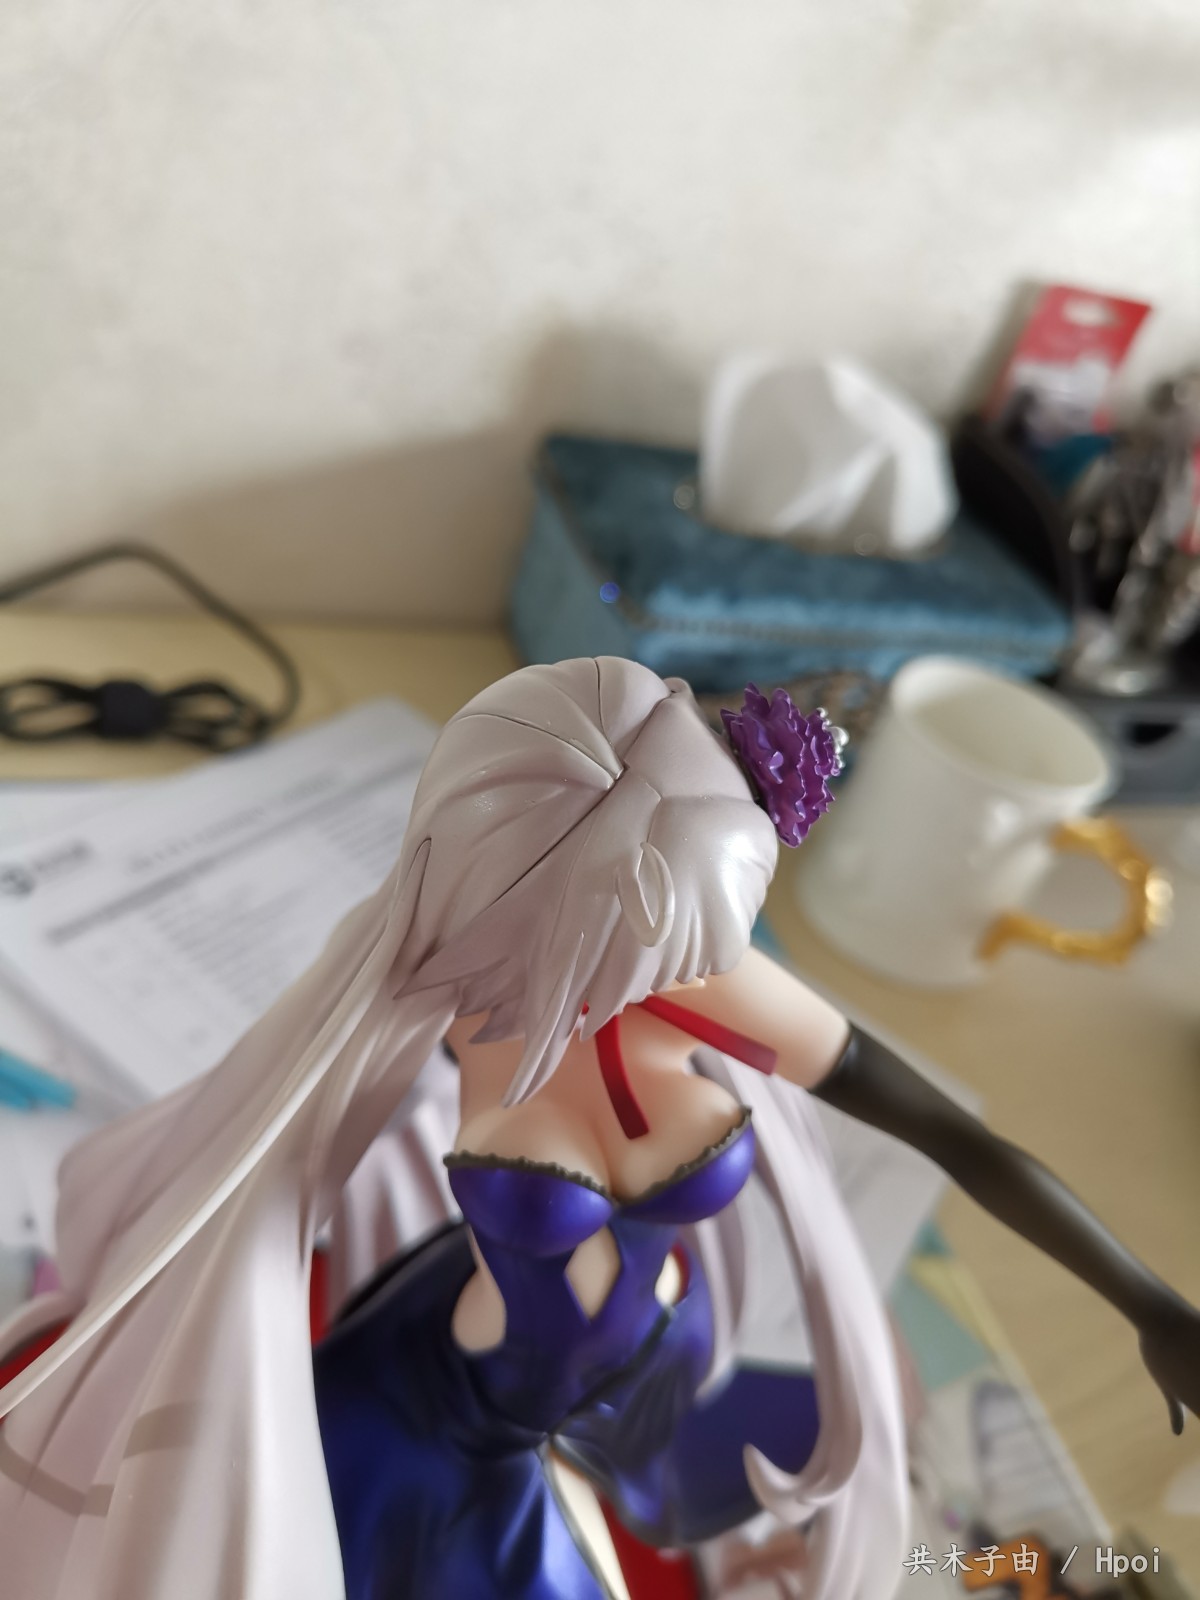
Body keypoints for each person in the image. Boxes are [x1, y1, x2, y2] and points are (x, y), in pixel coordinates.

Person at [0, 657, 1195, 1600]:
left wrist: (1148, 1302)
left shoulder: (692, 971)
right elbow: (264, 1159)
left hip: (636, 1370)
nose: (659, 986)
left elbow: (957, 1136)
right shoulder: (463, 1005)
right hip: (449, 1420)